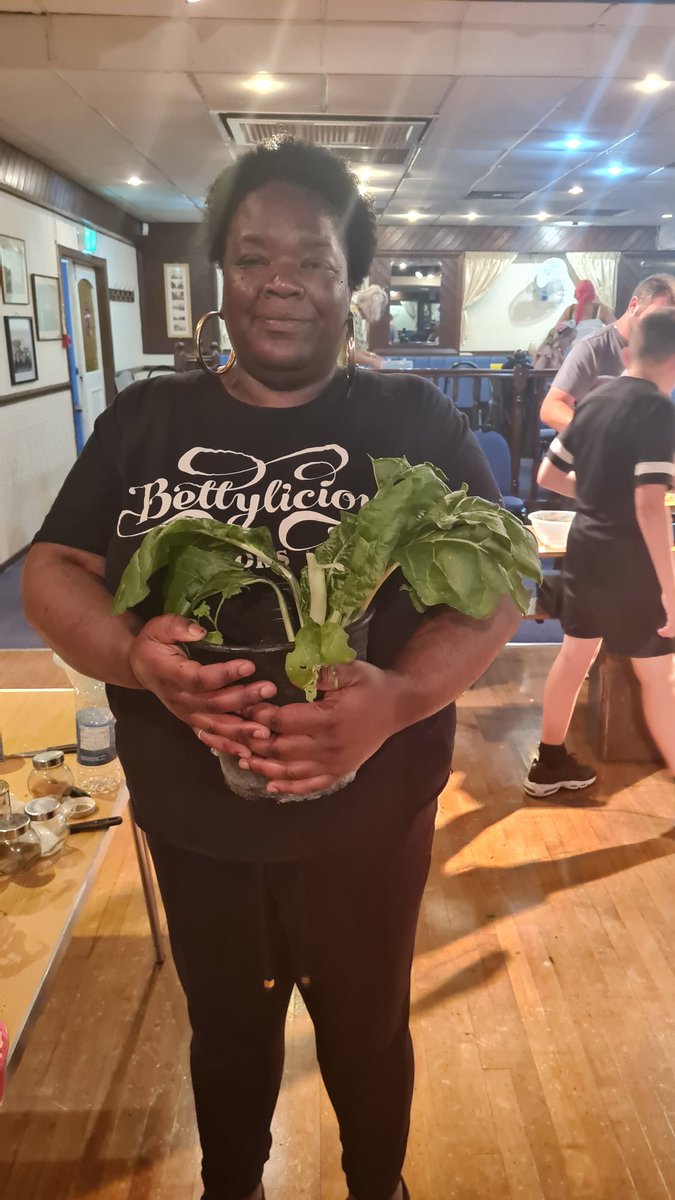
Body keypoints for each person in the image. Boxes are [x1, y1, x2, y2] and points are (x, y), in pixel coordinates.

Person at [23, 138, 519, 1200]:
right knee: (226, 1032)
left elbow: (497, 585)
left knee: (369, 1032)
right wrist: (128, 653)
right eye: (253, 257)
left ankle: (376, 1187)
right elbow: (58, 568)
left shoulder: (413, 421)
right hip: (197, 819)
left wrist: (397, 701)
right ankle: (232, 1188)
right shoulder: (147, 418)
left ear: (352, 284)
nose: (282, 280)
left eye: (314, 260)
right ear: (220, 276)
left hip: (367, 823)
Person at [525, 308, 675, 798]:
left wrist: (593, 496)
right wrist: (671, 592)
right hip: (628, 562)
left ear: (633, 351)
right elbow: (650, 507)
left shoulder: (593, 400)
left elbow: (547, 476)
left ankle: (548, 764)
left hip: (584, 548)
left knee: (574, 658)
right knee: (659, 679)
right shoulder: (657, 410)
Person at [540, 273, 675, 432]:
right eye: (656, 317)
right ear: (634, 305)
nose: (661, 327)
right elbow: (551, 408)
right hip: (594, 451)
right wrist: (599, 434)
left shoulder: (663, 352)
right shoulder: (593, 347)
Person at [350, 282, 389, 368]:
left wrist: (371, 355)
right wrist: (373, 362)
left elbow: (356, 351)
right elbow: (352, 355)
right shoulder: (355, 316)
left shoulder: (354, 311)